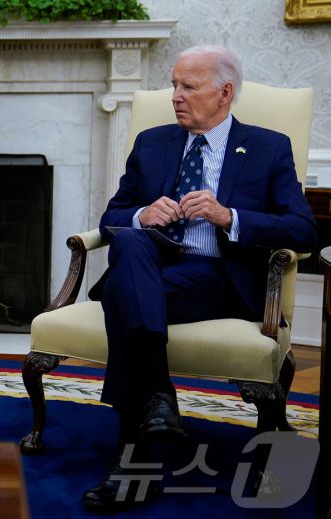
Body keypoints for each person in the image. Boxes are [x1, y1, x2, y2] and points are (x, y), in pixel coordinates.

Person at [82, 45, 317, 511]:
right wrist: (143, 214)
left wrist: (229, 216)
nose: (175, 96)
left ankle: (133, 462)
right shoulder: (152, 142)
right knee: (130, 242)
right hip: (153, 269)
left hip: (219, 279)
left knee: (124, 298)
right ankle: (159, 397)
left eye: (188, 86)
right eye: (174, 85)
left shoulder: (268, 147)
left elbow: (303, 229)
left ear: (224, 93)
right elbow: (112, 217)